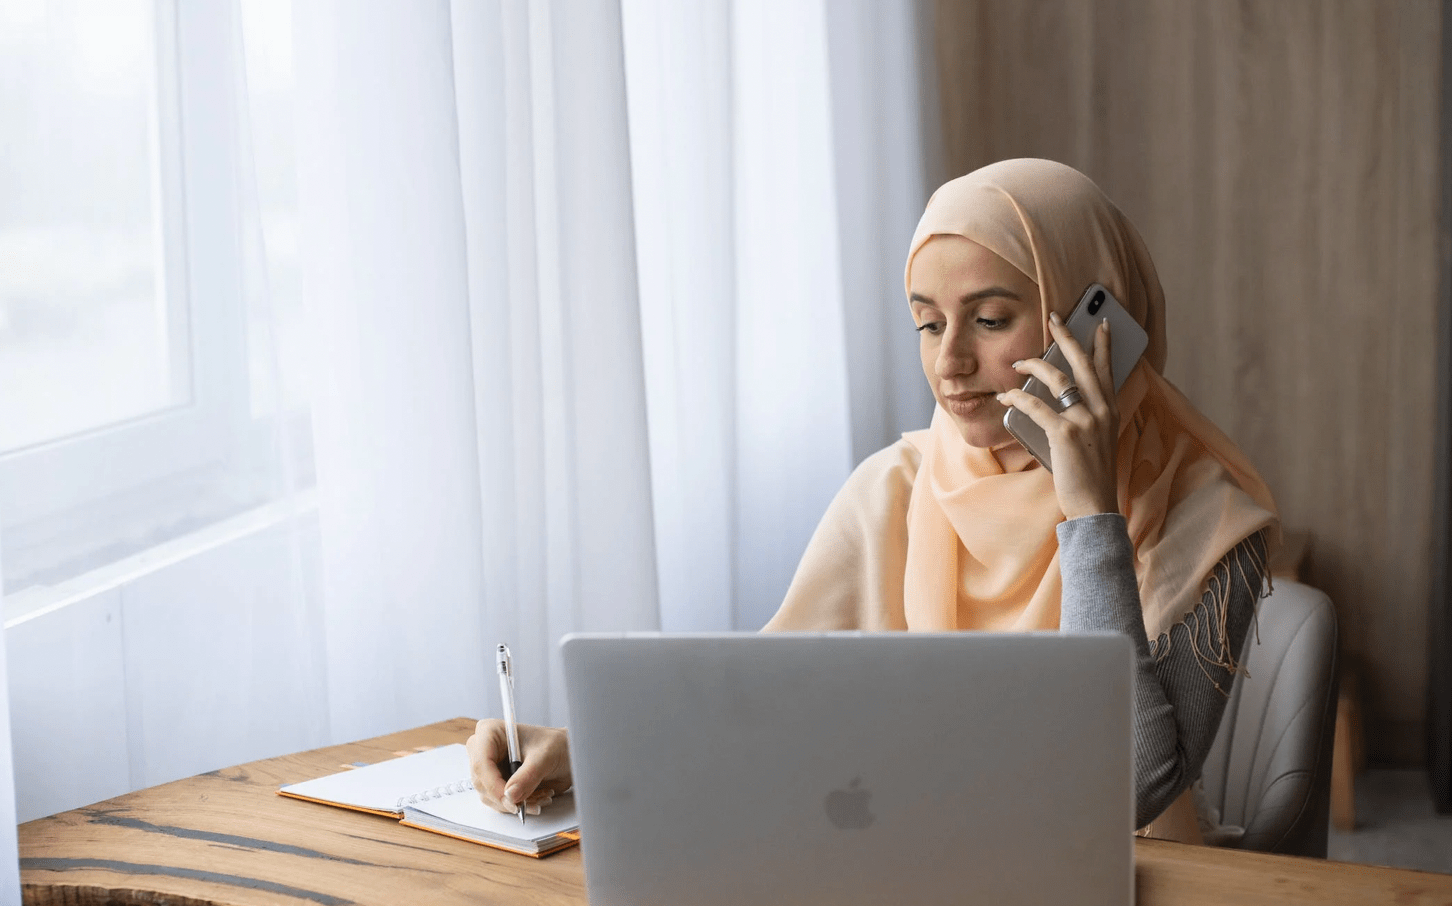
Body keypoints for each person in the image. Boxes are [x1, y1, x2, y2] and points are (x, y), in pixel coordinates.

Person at [466, 159, 1278, 842]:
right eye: (928, 325)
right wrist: (589, 747)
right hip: (922, 872)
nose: (950, 362)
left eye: (990, 319)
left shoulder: (1210, 519)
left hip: (1140, 900)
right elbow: (765, 704)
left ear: (1098, 324)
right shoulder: (895, 489)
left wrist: (1093, 515)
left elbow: (1123, 789)